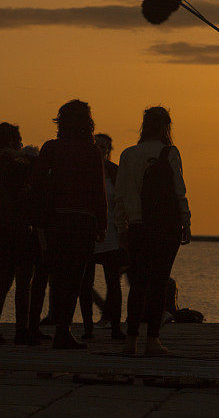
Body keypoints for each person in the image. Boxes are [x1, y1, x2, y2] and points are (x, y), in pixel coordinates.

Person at [29, 100, 107, 349]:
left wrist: (38, 218)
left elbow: (37, 184)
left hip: (56, 219)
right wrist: (102, 222)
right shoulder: (92, 150)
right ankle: (63, 329)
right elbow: (99, 189)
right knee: (75, 278)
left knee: (56, 274)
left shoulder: (51, 148)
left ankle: (43, 327)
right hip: (83, 220)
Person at [115, 106, 192, 356]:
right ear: (166, 127)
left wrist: (121, 228)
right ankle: (153, 341)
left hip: (137, 227)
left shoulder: (127, 155)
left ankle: (130, 340)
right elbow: (179, 191)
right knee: (159, 282)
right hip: (165, 227)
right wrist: (186, 221)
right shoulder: (169, 152)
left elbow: (120, 196)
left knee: (138, 285)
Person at [0, 123, 39, 345]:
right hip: (19, 225)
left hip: (1, 226)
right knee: (24, 281)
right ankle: (21, 330)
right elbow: (33, 167)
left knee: (4, 279)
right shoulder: (11, 161)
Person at [78, 133, 128, 341]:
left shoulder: (114, 171)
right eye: (96, 146)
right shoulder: (82, 171)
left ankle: (116, 326)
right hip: (88, 233)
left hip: (111, 234)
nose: (100, 150)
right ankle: (88, 327)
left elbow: (122, 201)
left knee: (113, 283)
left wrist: (123, 230)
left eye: (104, 147)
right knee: (85, 282)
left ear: (108, 150)